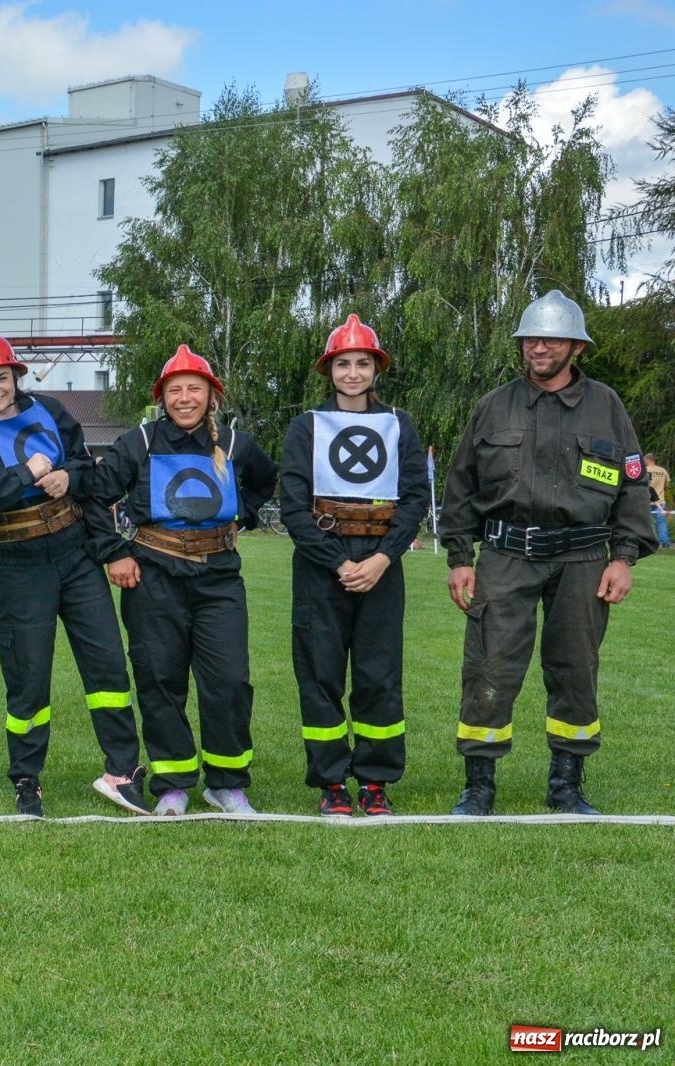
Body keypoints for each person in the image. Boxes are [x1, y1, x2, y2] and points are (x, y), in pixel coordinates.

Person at [441, 290, 657, 816]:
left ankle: (567, 785)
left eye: (551, 339)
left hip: (584, 562)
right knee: (490, 669)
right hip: (506, 557)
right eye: (531, 338)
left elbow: (632, 485)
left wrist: (624, 557)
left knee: (575, 670)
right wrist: (459, 557)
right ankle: (479, 786)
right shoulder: (494, 406)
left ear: (576, 347)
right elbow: (461, 485)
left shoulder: (607, 407)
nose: (539, 347)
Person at [0, 327, 148, 817]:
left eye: (1, 378)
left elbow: (87, 469)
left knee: (106, 664)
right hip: (19, 566)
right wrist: (28, 474)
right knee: (28, 678)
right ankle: (27, 781)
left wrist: (68, 476)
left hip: (76, 554)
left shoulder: (53, 412)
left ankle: (122, 771)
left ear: (16, 376)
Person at [90, 345, 278, 816]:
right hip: (153, 576)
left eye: (195, 388)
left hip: (219, 579)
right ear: (163, 397)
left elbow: (266, 481)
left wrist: (244, 515)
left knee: (229, 680)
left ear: (212, 395)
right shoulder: (140, 442)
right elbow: (95, 497)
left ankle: (227, 785)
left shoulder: (236, 445)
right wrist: (115, 552)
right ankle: (172, 785)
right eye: (175, 390)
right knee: (159, 680)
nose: (185, 398)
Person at [278, 315, 430, 817]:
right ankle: (331, 782)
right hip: (323, 568)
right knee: (320, 675)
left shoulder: (399, 424)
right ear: (330, 370)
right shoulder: (308, 427)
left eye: (362, 363)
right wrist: (339, 563)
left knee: (378, 676)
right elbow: (294, 505)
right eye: (343, 364)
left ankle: (375, 781)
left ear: (375, 369)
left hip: (382, 565)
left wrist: (384, 557)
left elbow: (414, 497)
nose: (353, 373)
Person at [646, 452, 669, 549]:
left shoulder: (644, 470)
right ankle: (665, 543)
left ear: (648, 459)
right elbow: (667, 485)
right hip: (660, 500)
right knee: (661, 522)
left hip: (646, 501)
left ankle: (651, 541)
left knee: (648, 522)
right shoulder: (663, 470)